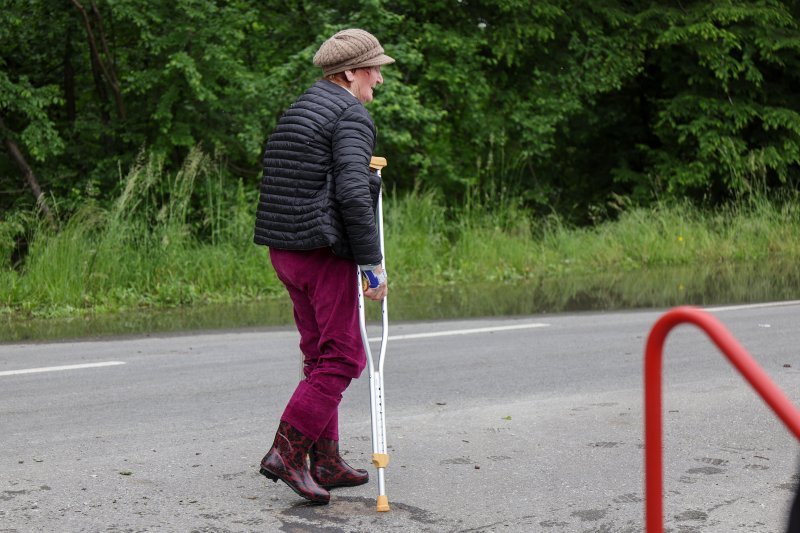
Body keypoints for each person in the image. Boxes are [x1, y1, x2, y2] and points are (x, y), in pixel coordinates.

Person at [253, 28, 393, 504]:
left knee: (318, 356)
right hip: (321, 252)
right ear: (349, 72)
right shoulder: (351, 116)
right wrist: (372, 266)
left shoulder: (300, 108)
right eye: (372, 68)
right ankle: (286, 454)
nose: (378, 77)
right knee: (344, 357)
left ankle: (326, 461)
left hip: (284, 250)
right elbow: (353, 195)